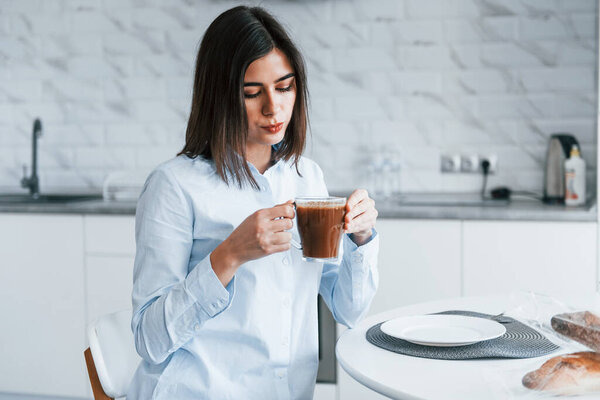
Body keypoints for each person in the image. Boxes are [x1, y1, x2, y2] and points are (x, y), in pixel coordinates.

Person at [127, 5, 379, 399]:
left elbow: (349, 310)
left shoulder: (306, 177)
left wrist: (361, 239)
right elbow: (149, 339)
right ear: (220, 96)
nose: (273, 108)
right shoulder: (173, 186)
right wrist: (229, 255)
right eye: (251, 93)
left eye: (284, 87)